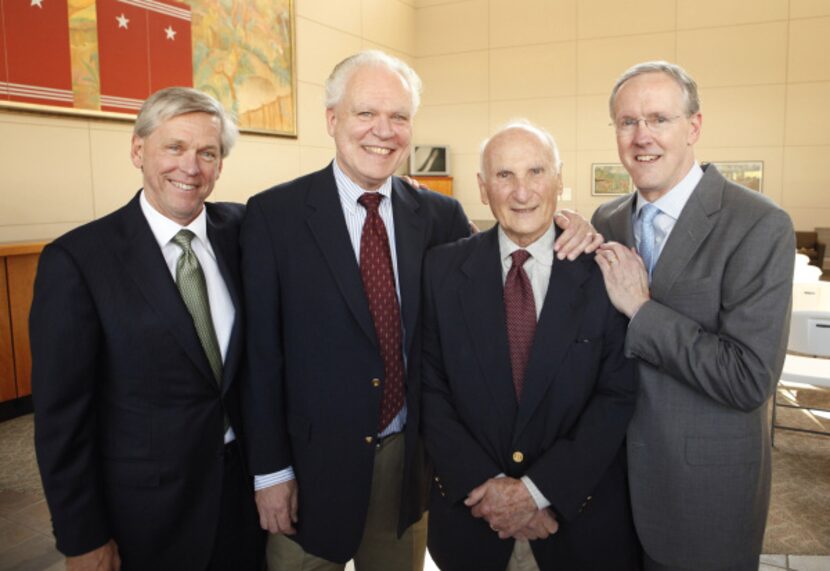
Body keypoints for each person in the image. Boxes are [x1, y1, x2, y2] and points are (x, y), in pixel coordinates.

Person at [240, 51, 601, 570]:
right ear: (331, 120)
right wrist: (272, 473)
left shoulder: (438, 215)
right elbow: (261, 357)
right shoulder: (274, 216)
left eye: (399, 117)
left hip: (409, 466)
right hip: (310, 471)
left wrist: (568, 224)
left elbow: (511, 248)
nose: (383, 131)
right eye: (366, 113)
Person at [30, 87, 263, 570]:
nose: (191, 167)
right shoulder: (77, 261)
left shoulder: (245, 233)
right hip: (145, 519)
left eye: (207, 152)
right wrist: (82, 537)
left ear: (220, 165)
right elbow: (62, 420)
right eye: (174, 147)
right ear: (138, 150)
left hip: (244, 504)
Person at [592, 61, 795, 571]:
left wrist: (642, 309)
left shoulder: (759, 224)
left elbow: (749, 379)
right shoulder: (608, 220)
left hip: (702, 493)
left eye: (659, 119)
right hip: (611, 486)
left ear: (694, 127)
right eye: (627, 122)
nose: (642, 137)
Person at [420, 120, 640, 571]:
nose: (522, 191)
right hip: (473, 524)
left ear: (559, 179)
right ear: (483, 189)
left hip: (576, 525)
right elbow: (429, 389)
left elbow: (616, 396)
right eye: (504, 175)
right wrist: (493, 492)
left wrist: (539, 494)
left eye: (536, 172)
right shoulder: (441, 271)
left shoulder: (605, 273)